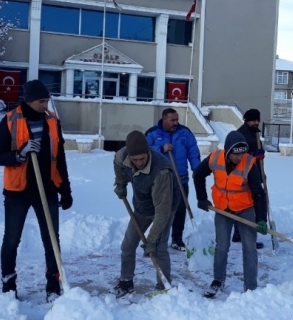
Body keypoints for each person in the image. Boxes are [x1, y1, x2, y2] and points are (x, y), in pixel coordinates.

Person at [0, 79, 73, 298]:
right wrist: (20, 154)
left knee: (51, 238)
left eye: (46, 100)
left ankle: (53, 284)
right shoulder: (10, 121)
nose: (45, 105)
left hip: (47, 188)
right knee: (12, 238)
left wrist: (66, 190)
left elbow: (61, 158)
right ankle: (9, 284)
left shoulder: (53, 122)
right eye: (41, 101)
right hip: (18, 191)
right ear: (28, 101)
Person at [193, 131, 268, 296]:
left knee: (249, 248)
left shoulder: (249, 163)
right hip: (222, 209)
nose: (239, 157)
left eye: (242, 153)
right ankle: (218, 280)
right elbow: (198, 174)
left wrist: (261, 219)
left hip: (245, 209)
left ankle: (250, 286)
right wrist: (202, 198)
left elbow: (259, 193)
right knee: (222, 247)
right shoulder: (214, 158)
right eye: (235, 154)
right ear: (227, 151)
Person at [113, 130, 178, 296]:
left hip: (164, 208)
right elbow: (117, 163)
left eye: (142, 158)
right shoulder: (123, 156)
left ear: (148, 152)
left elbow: (162, 211)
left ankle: (163, 287)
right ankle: (126, 281)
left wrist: (151, 239)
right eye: (135, 160)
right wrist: (121, 184)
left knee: (158, 248)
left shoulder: (161, 170)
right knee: (127, 245)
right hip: (142, 206)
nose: (139, 162)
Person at [145, 108, 201, 251]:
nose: (176, 122)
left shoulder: (185, 132)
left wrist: (198, 169)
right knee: (160, 210)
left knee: (180, 209)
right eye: (173, 120)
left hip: (180, 179)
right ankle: (154, 239)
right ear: (164, 120)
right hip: (160, 180)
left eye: (177, 119)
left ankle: (177, 239)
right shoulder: (152, 133)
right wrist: (160, 148)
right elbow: (144, 151)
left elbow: (193, 152)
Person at [233, 108, 266, 249]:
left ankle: (239, 233)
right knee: (247, 205)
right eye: (253, 120)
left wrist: (261, 171)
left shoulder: (254, 133)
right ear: (247, 120)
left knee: (247, 204)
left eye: (257, 120)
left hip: (255, 172)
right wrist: (253, 155)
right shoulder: (241, 134)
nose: (256, 122)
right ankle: (244, 235)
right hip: (244, 174)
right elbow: (238, 156)